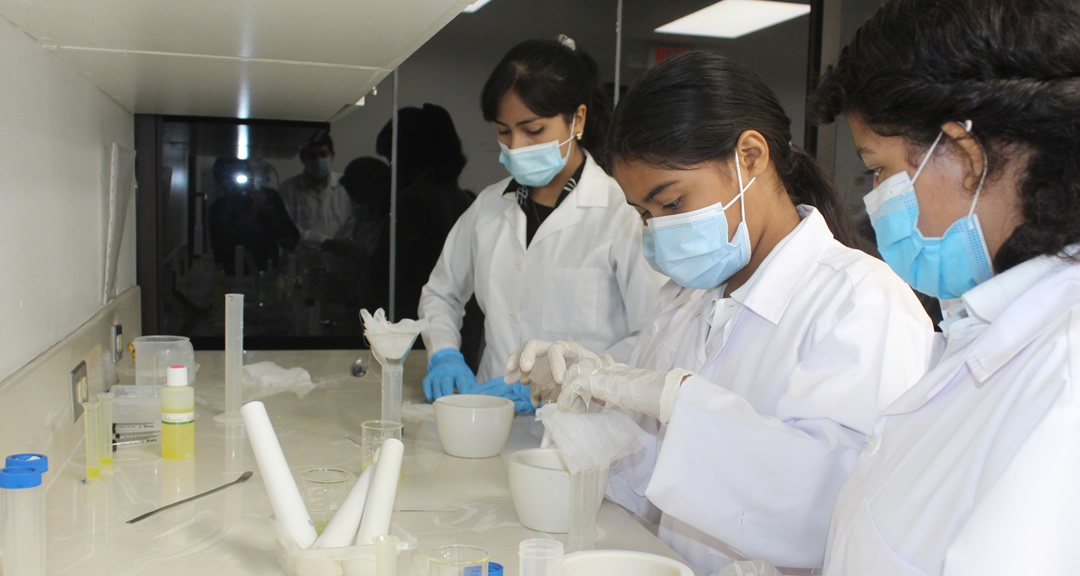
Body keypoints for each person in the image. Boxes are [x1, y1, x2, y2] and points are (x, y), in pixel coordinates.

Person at [506, 52, 935, 574]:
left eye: (673, 204)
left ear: (750, 156)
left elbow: (830, 512)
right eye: (643, 214)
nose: (657, 229)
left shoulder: (860, 302)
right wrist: (589, 398)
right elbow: (642, 483)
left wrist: (679, 401)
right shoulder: (686, 301)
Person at [806, 0, 1080, 573]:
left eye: (878, 169)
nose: (873, 197)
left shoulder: (1063, 368)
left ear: (964, 156)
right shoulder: (992, 325)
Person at [418, 36, 666, 413]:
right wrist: (445, 354)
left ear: (577, 119)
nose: (516, 146)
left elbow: (652, 334)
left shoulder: (621, 212)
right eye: (504, 131)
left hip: (585, 420)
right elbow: (442, 293)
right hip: (491, 413)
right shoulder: (488, 207)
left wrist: (570, 380)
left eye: (533, 131)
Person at [207, 157, 298, 275]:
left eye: (245, 172)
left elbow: (291, 239)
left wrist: (267, 212)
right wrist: (244, 221)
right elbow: (220, 253)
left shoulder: (268, 197)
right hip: (233, 277)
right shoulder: (219, 208)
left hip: (269, 274)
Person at [279, 132, 352, 252]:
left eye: (323, 154)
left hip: (340, 258)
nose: (318, 160)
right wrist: (323, 241)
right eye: (312, 156)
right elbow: (287, 228)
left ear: (332, 155)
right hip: (301, 259)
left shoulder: (346, 185)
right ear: (303, 159)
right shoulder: (287, 188)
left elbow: (355, 223)